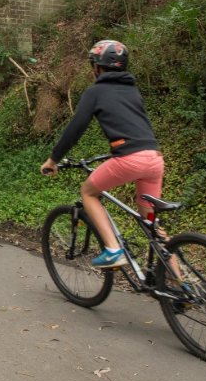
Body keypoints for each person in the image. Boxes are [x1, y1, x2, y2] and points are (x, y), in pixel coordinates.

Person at [40, 40, 164, 269]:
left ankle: (113, 250)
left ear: (98, 67)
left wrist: (53, 159)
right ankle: (183, 282)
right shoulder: (132, 91)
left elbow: (75, 128)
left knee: (88, 192)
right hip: (154, 158)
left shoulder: (96, 92)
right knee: (151, 223)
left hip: (130, 159)